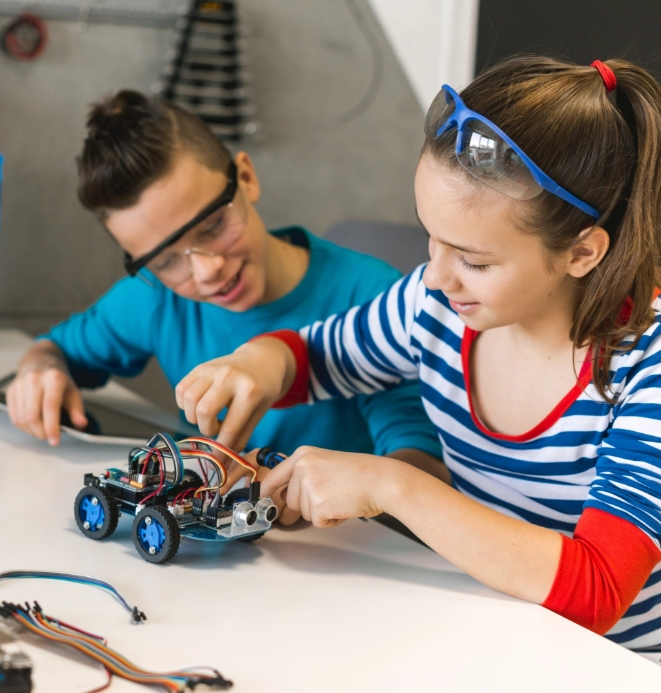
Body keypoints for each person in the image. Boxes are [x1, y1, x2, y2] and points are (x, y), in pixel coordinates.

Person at [174, 56, 661, 649]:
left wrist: (393, 485)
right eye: (431, 238)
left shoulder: (647, 363)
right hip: (487, 631)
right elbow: (316, 357)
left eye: (474, 261)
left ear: (582, 253)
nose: (434, 277)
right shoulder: (435, 307)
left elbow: (597, 591)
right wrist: (255, 364)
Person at [6, 90, 442, 507]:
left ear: (247, 178)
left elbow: (423, 468)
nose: (206, 268)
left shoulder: (374, 299)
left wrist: (351, 494)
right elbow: (54, 349)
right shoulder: (156, 297)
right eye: (165, 262)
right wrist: (41, 374)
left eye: (213, 225)